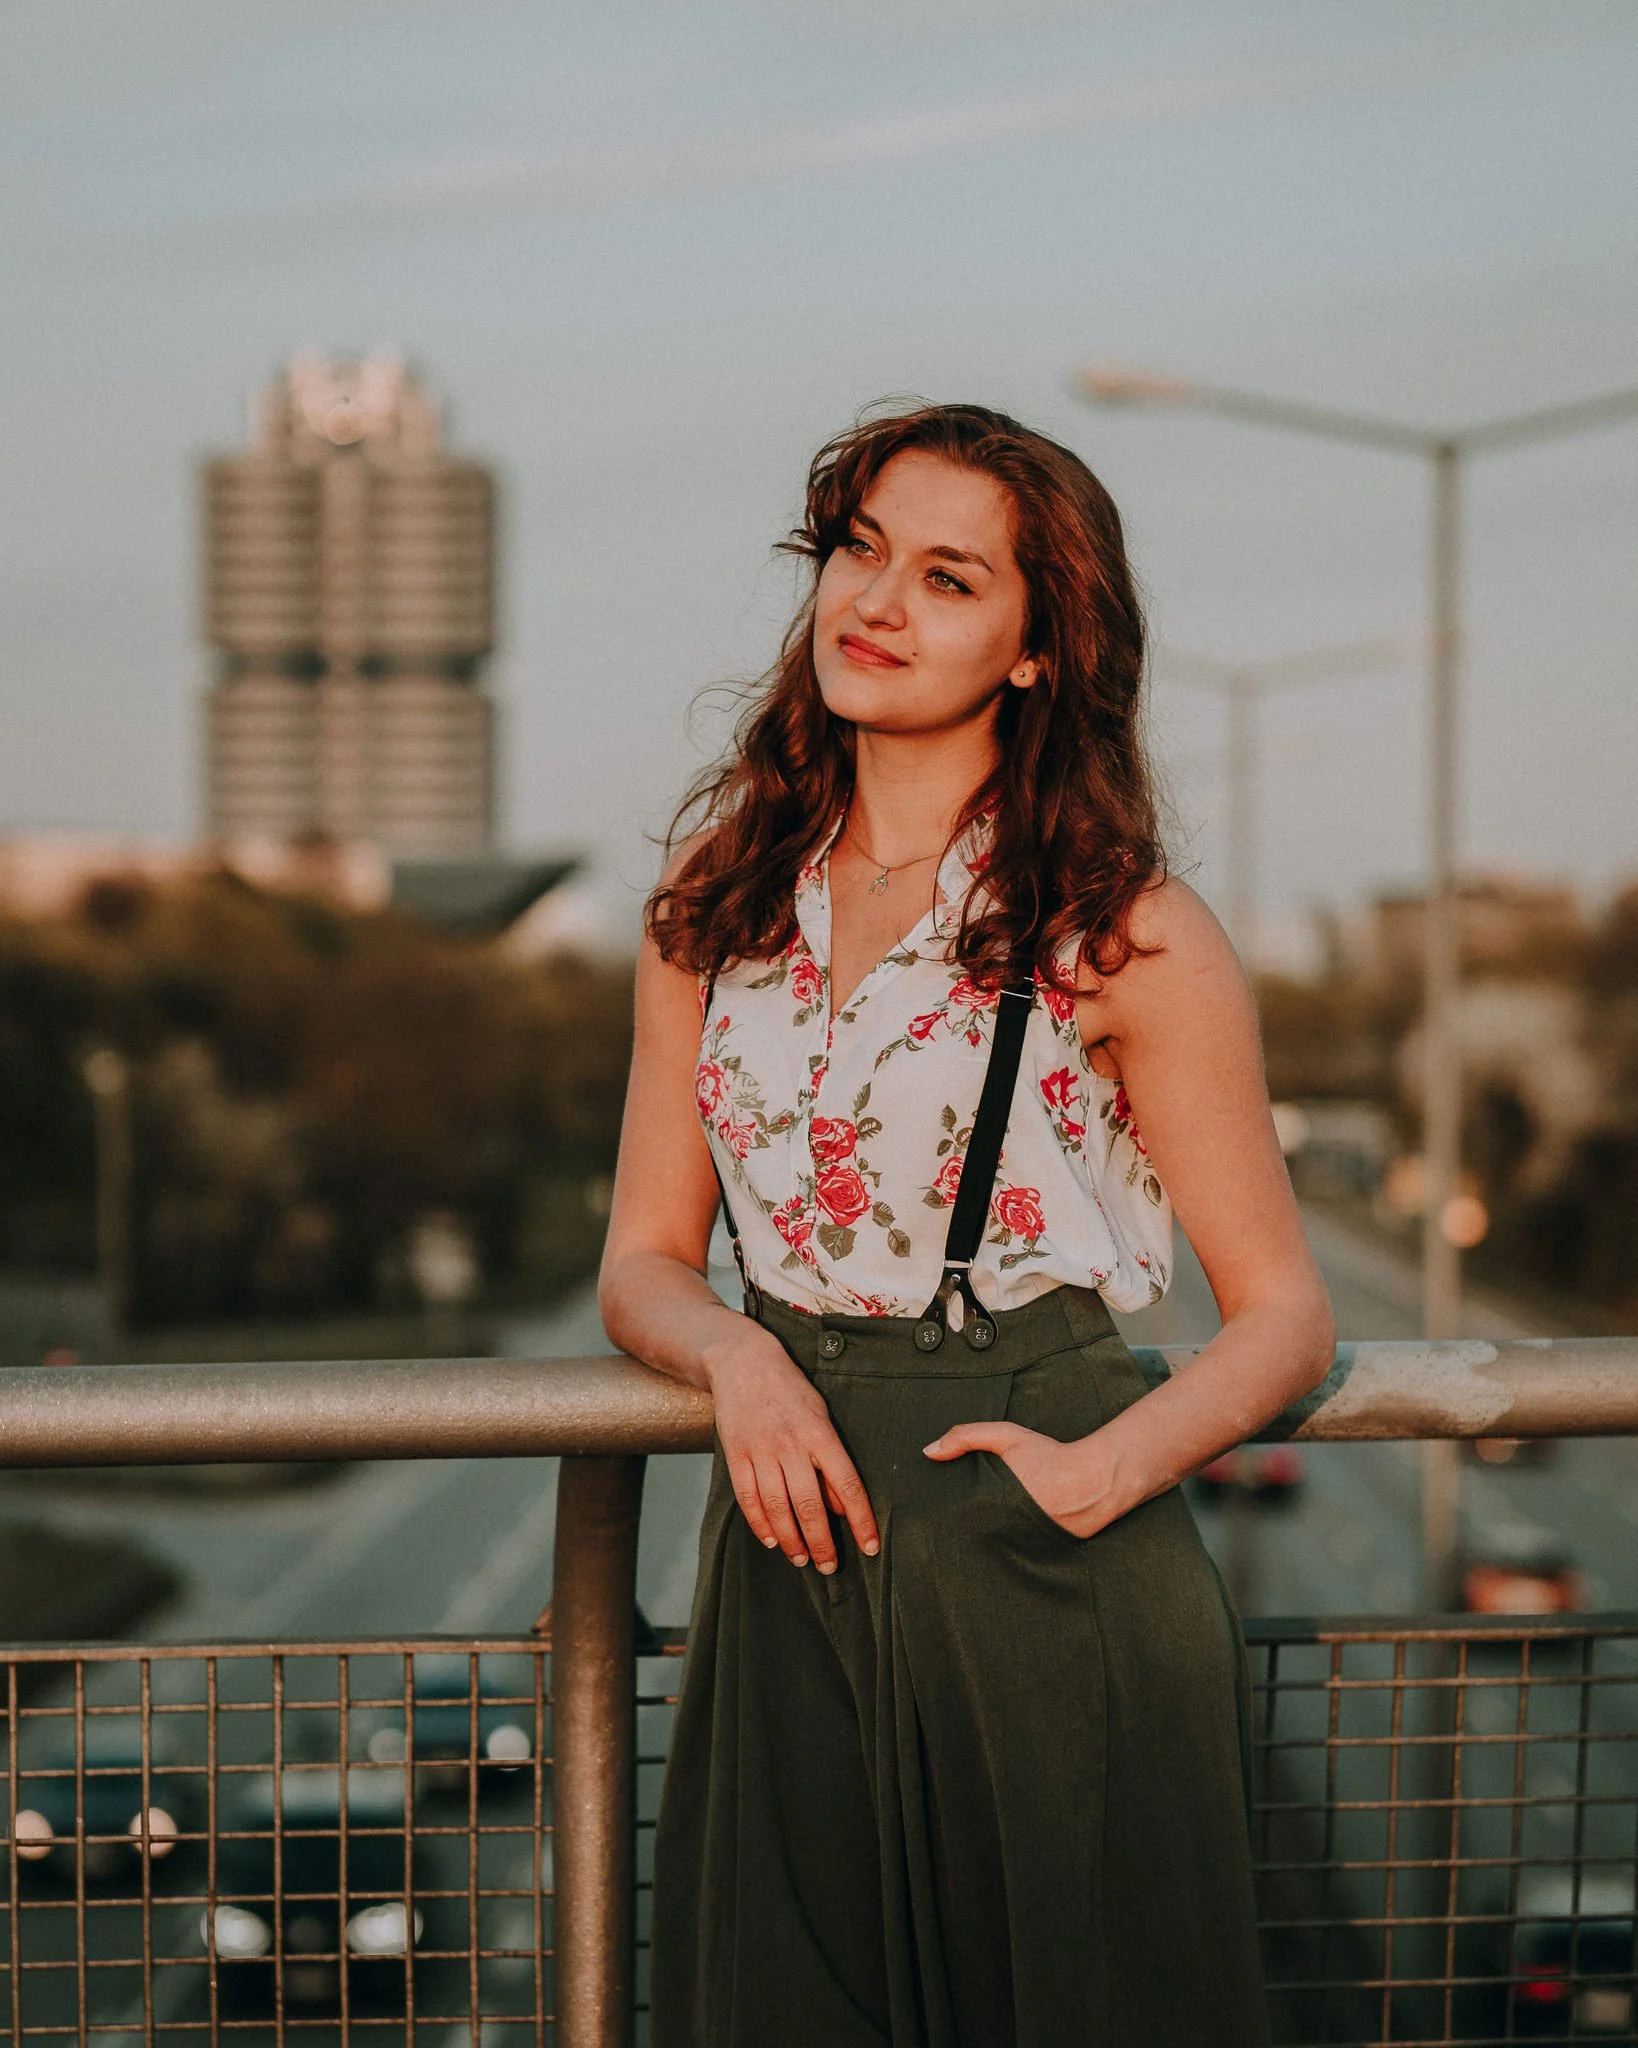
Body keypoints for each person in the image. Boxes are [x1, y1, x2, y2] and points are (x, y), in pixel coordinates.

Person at [598, 401, 1335, 2047]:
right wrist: (734, 1353)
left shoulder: (1122, 927)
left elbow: (1284, 1312)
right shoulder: (711, 908)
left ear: (1033, 647)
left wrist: (1103, 1470)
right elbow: (641, 1257)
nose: (877, 602)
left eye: (946, 577)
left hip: (1046, 1525)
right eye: (862, 550)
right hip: (790, 1539)